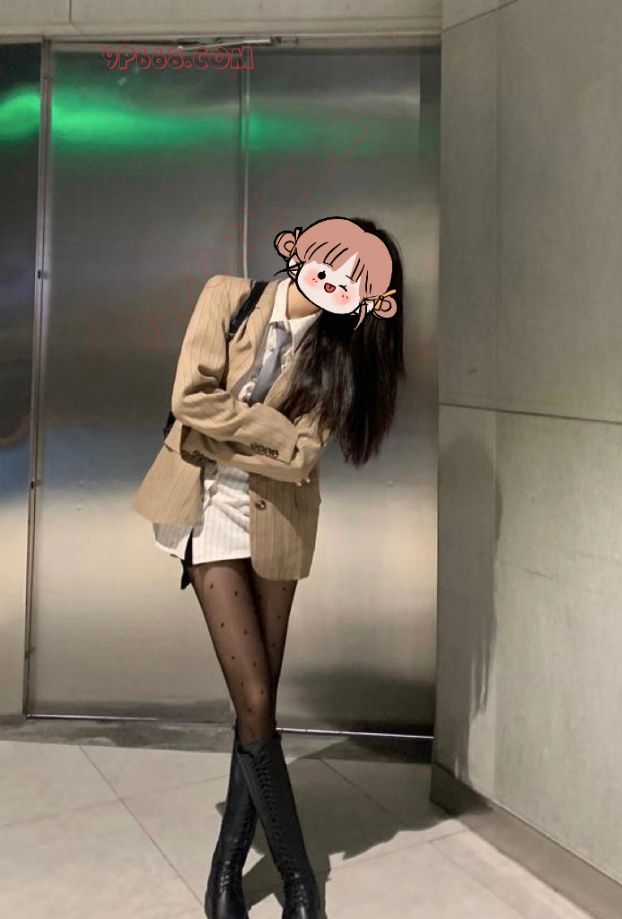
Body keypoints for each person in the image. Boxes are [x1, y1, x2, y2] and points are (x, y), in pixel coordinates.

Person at [131, 216, 405, 918]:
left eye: (355, 282)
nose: (335, 283)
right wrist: (270, 432)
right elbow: (187, 398)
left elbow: (302, 456)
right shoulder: (227, 296)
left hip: (279, 519)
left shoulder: (339, 353)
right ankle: (298, 874)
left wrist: (221, 431)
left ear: (369, 300)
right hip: (205, 508)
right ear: (302, 249)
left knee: (259, 702)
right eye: (330, 263)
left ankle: (226, 867)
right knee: (253, 693)